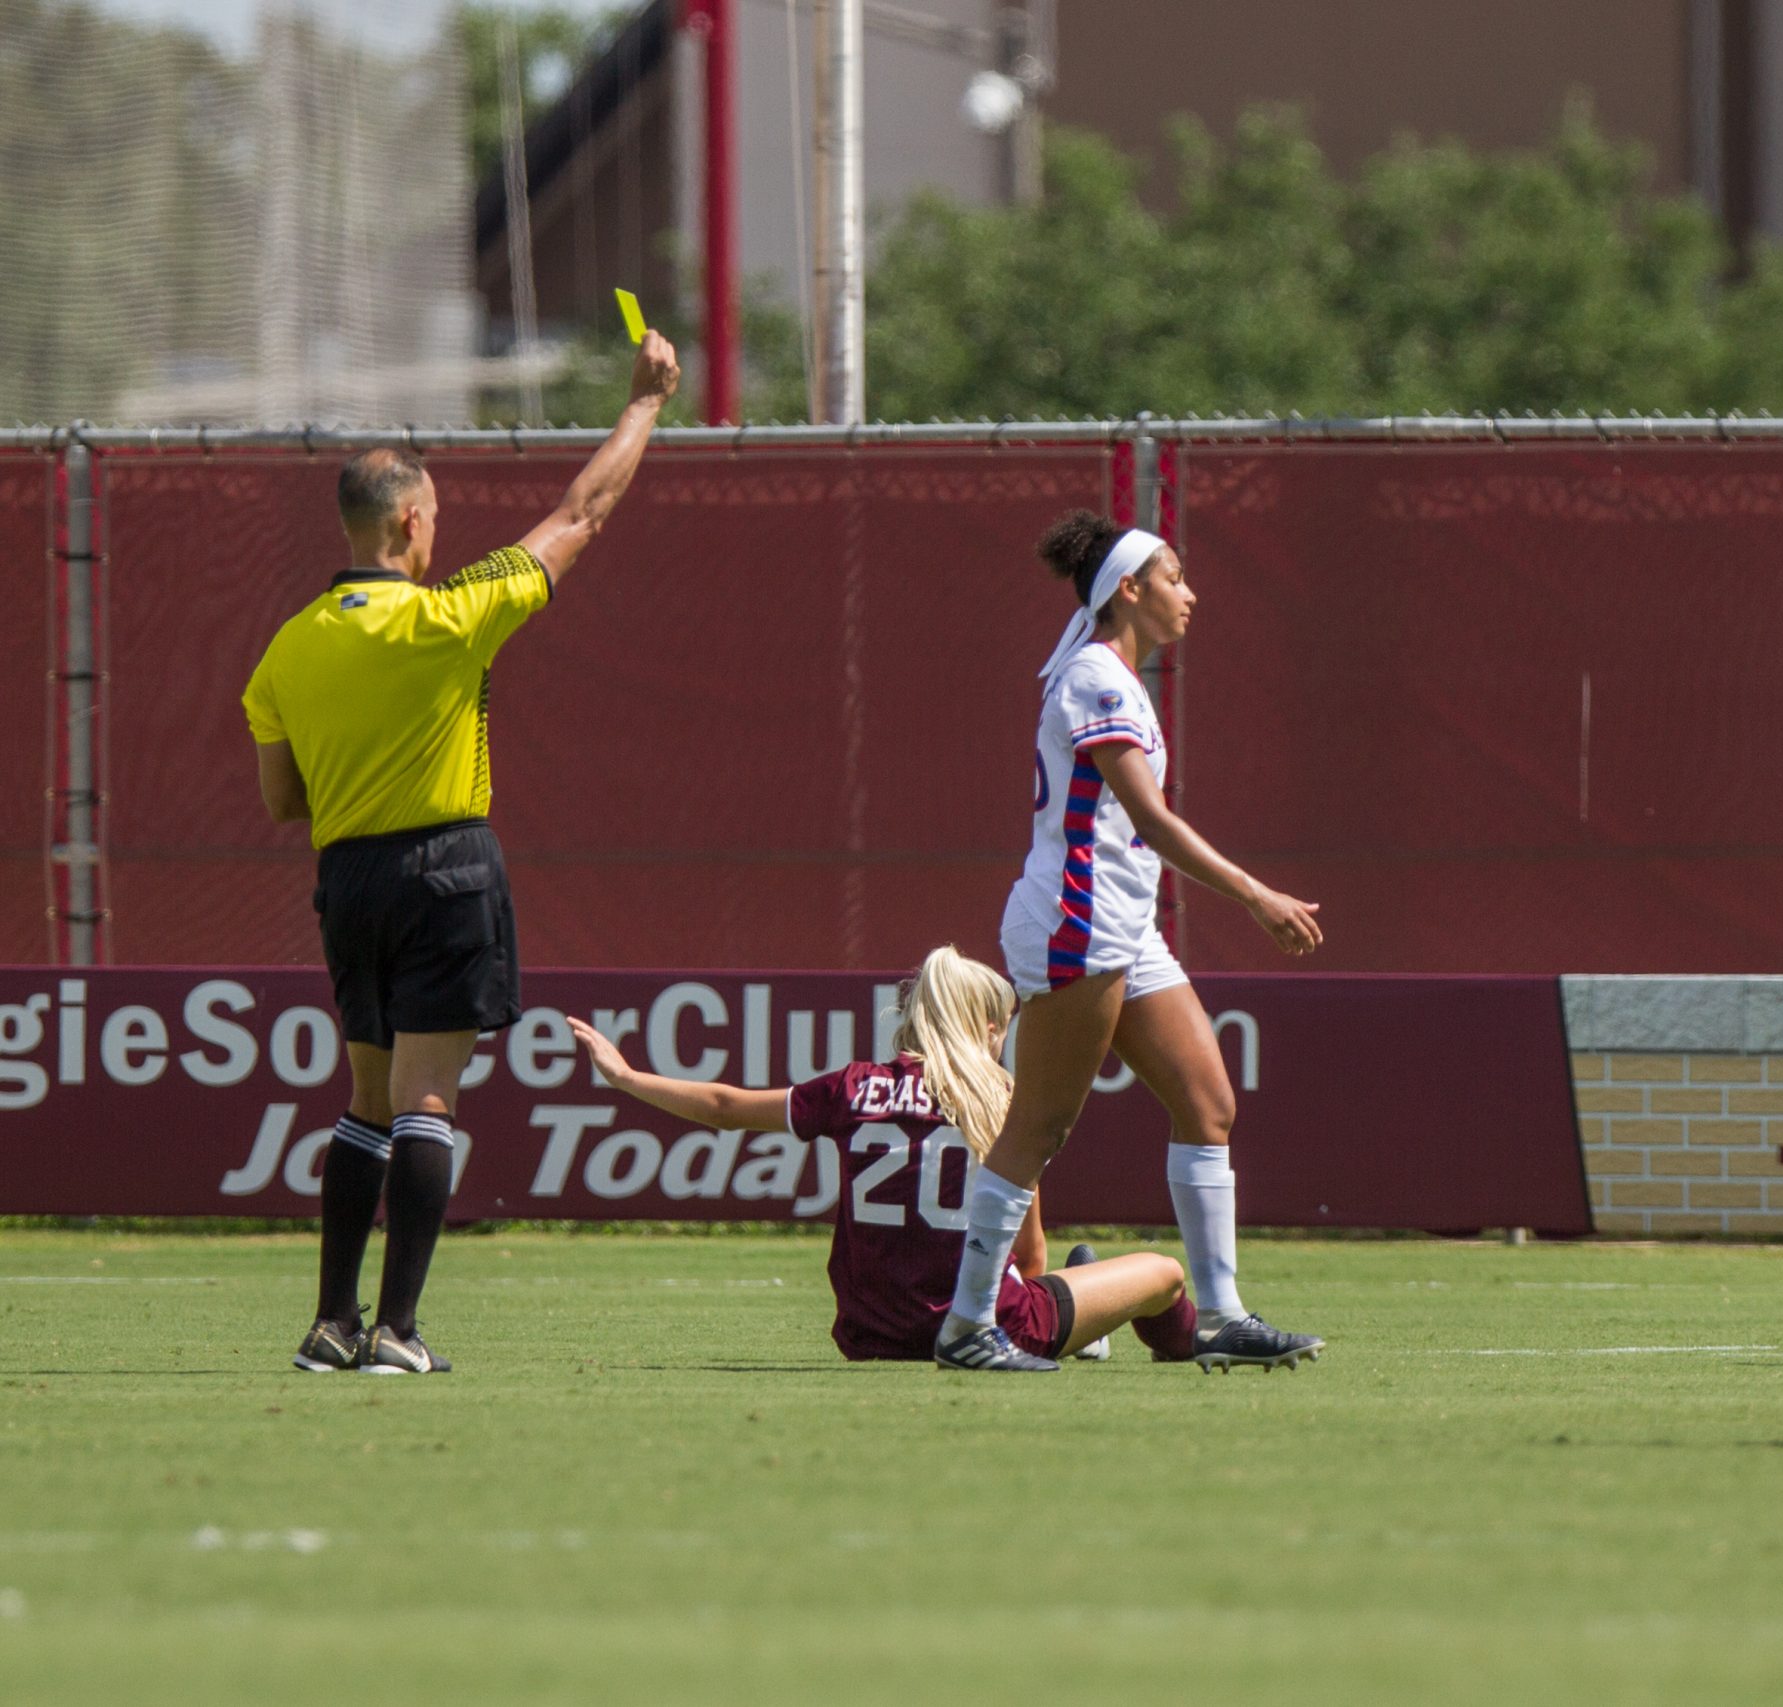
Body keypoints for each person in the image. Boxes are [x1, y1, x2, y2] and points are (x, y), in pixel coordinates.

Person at [245, 331, 682, 1375]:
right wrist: (646, 405)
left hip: (346, 878)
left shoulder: (288, 645)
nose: (440, 529)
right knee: (427, 1105)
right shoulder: (449, 619)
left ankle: (329, 1324)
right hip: (446, 865)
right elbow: (582, 514)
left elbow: (281, 801)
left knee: (365, 1100)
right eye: (434, 514)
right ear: (408, 522)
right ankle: (397, 1331)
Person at [934, 510, 1327, 1374]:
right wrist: (1255, 893)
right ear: (1130, 589)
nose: (1191, 592)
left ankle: (1219, 1316)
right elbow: (1150, 817)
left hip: (1120, 922)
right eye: (1176, 576)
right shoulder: (1098, 679)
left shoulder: (1114, 676)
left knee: (1209, 1103)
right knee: (1039, 1123)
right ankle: (967, 1324)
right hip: (1079, 917)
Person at [565, 949, 1200, 1365]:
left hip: (873, 1336)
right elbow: (1029, 1258)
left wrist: (625, 1077)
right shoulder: (1001, 1098)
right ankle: (1178, 1345)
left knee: (1068, 1284)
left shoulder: (852, 1087)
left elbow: (726, 1107)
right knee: (1162, 1272)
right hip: (988, 1327)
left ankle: (1091, 1332)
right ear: (982, 1027)